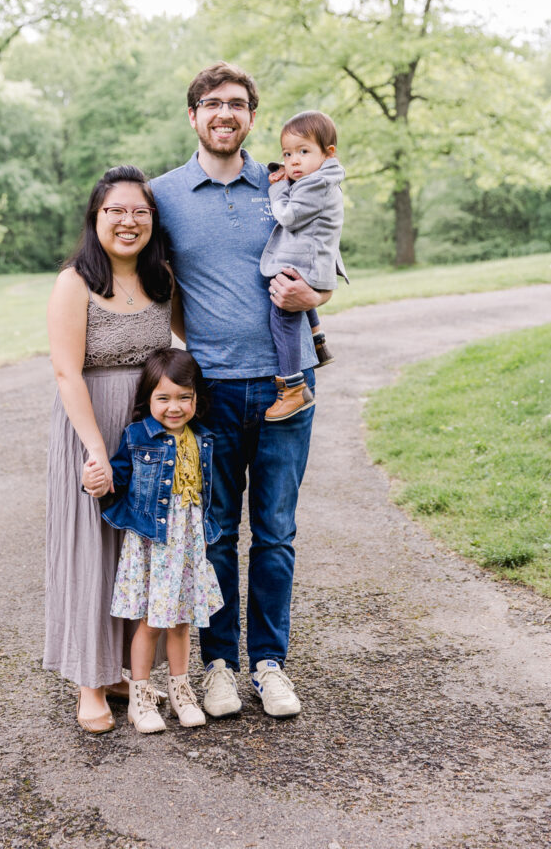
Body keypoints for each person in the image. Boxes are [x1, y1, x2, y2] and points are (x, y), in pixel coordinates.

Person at [150, 61, 344, 719]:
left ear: (252, 117)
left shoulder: (286, 179)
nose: (223, 113)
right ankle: (217, 667)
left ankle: (268, 663)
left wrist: (313, 295)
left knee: (275, 533)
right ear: (193, 116)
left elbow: (327, 254)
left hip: (286, 390)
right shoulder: (164, 195)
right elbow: (158, 286)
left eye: (236, 103)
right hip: (209, 394)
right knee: (210, 536)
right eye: (211, 103)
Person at [43, 164, 180, 735]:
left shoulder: (162, 280)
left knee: (137, 552)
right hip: (91, 424)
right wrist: (97, 451)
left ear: (152, 220)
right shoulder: (75, 281)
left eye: (139, 212)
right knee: (91, 549)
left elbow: (187, 349)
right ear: (96, 217)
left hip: (145, 433)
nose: (128, 221)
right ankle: (89, 683)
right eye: (115, 211)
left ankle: (125, 669)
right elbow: (65, 371)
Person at [83, 348, 223, 733]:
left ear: (196, 399)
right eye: (164, 398)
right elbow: (118, 479)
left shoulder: (203, 439)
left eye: (183, 397)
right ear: (148, 400)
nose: (174, 407)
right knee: (150, 622)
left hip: (188, 546)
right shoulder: (138, 437)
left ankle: (181, 691)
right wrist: (96, 482)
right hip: (154, 545)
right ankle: (141, 699)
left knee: (182, 623)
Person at [260, 110, 347, 422]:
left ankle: (292, 388)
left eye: (303, 152)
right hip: (313, 261)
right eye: (287, 154)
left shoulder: (316, 184)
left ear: (328, 153)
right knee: (289, 293)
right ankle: (317, 339)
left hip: (307, 264)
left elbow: (288, 216)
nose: (292, 161)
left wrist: (277, 188)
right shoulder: (320, 178)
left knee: (281, 315)